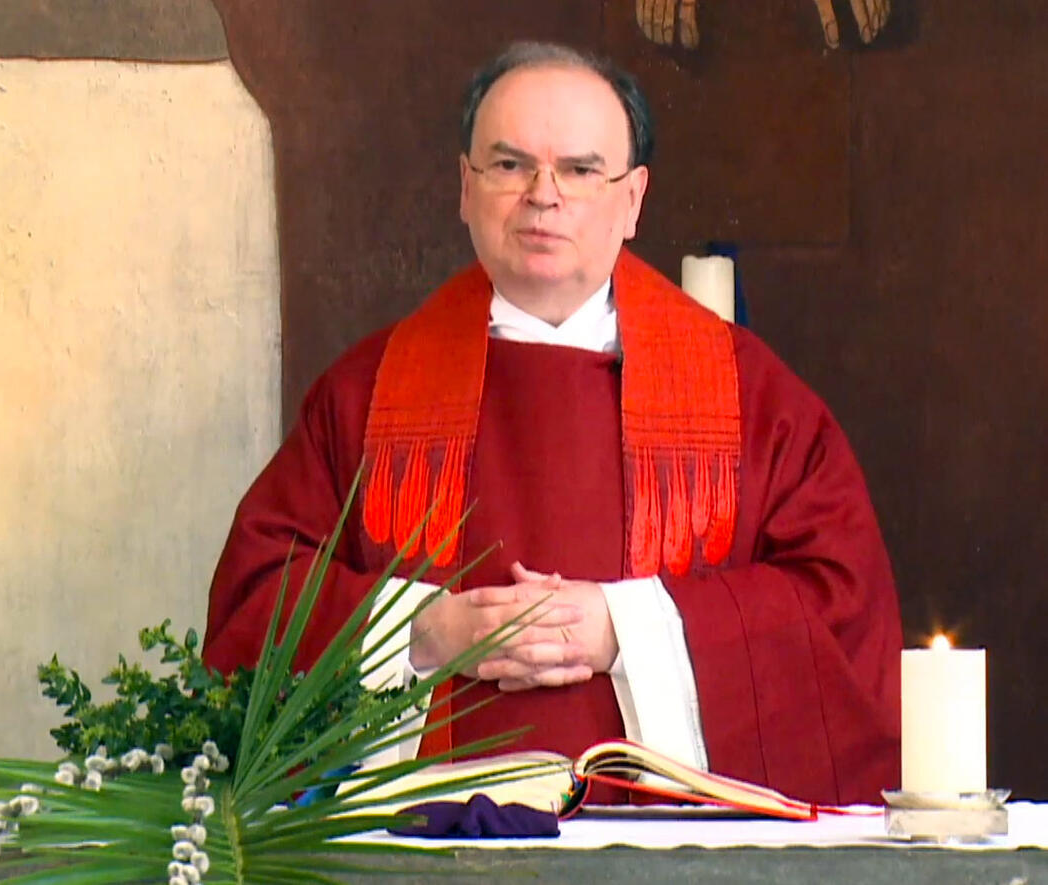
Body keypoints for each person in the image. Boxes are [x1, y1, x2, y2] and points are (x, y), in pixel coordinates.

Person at [204, 41, 901, 805]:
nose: (544, 195)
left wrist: (626, 627)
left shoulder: (751, 398)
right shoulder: (366, 394)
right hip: (428, 842)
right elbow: (258, 593)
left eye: (579, 168)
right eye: (509, 165)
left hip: (672, 849)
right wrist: (424, 630)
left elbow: (840, 606)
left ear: (632, 199)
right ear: (464, 188)